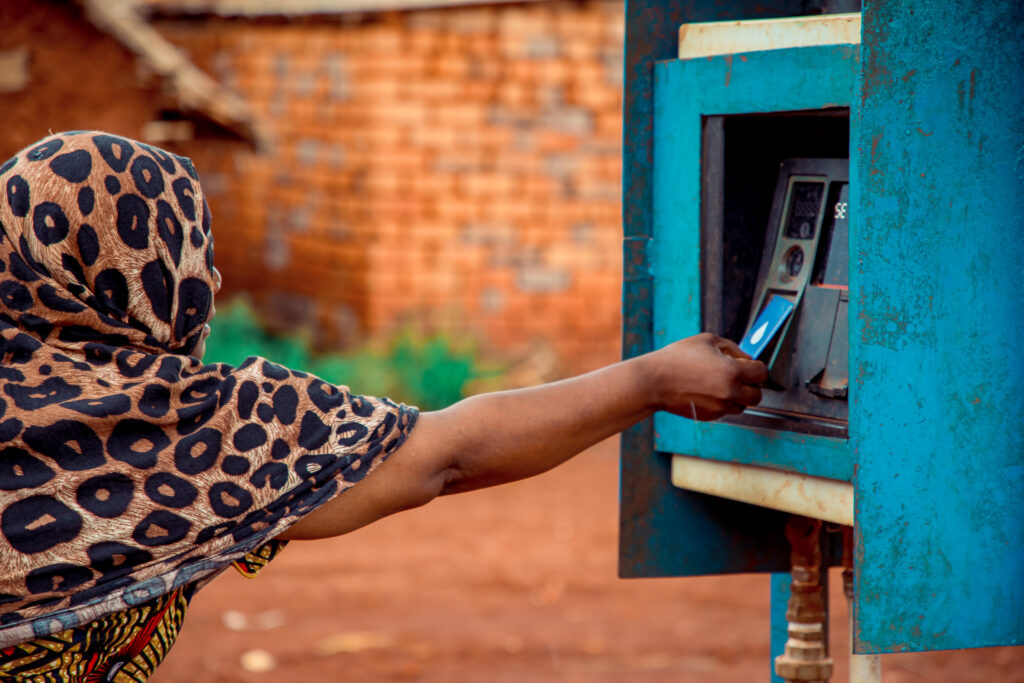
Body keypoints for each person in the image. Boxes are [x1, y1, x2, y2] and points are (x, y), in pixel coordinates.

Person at [0, 132, 766, 681]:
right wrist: (651, 381)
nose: (213, 274)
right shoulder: (172, 425)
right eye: (193, 249)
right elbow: (445, 454)